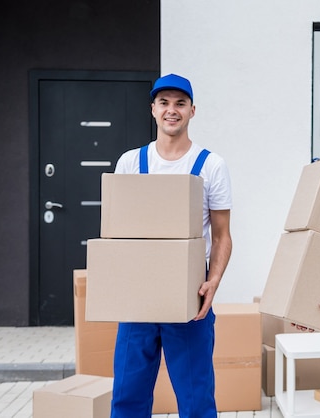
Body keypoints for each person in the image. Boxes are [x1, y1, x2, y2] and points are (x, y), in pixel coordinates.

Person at [110, 73, 233, 418]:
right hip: (138, 297)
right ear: (153, 109)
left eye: (180, 103)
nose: (171, 110)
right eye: (164, 103)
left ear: (193, 110)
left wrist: (214, 283)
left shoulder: (211, 166)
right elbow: (118, 234)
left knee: (196, 400)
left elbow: (222, 235)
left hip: (189, 295)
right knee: (127, 397)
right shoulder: (130, 163)